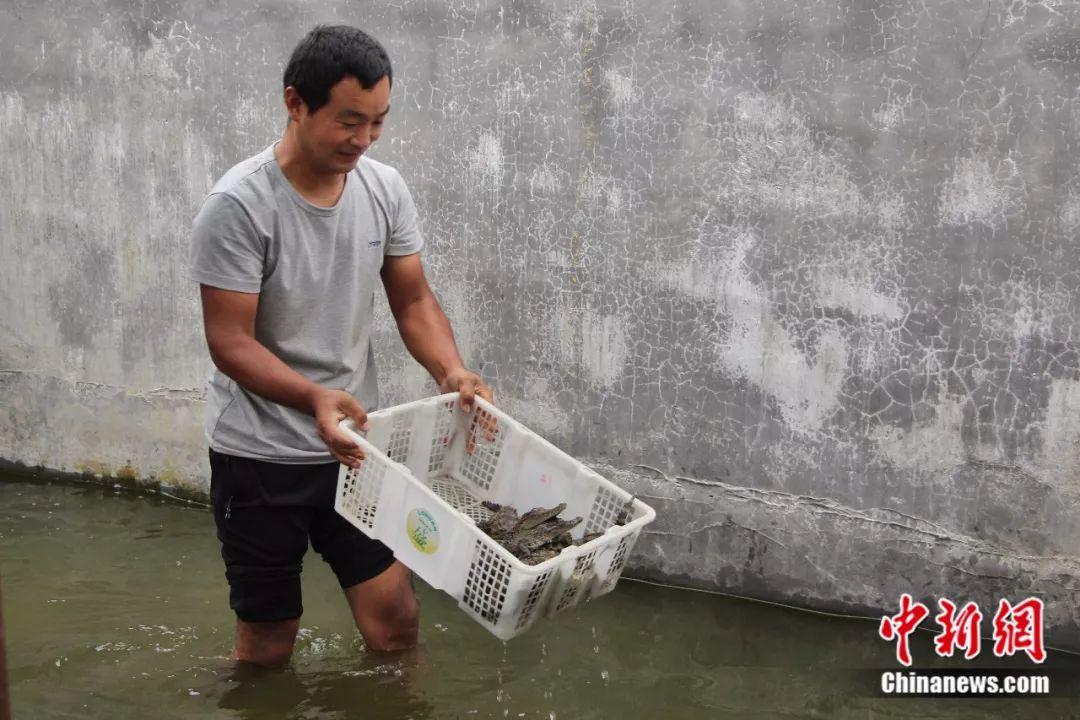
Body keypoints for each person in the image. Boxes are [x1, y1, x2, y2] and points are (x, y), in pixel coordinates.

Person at [189, 24, 492, 667]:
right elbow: (229, 342)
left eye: (378, 122)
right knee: (269, 647)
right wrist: (314, 398)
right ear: (295, 102)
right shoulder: (239, 206)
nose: (364, 139)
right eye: (349, 120)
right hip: (260, 457)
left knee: (396, 621)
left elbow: (412, 299)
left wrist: (452, 371)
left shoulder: (384, 189)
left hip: (356, 451)